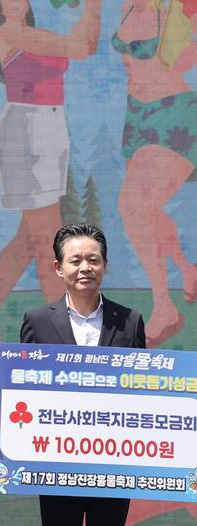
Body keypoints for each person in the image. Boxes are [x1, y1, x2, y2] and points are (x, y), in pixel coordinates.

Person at [21, 223, 145, 526]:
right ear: (58, 268)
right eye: (75, 260)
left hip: (111, 462)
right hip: (56, 465)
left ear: (105, 266)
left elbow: (143, 390)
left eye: (93, 259)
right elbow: (24, 391)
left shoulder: (129, 321)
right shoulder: (37, 321)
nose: (84, 267)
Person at [0, 0, 101, 335]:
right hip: (25, 129)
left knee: (28, 238)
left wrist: (94, 7)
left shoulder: (35, 33)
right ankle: (64, 327)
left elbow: (85, 45)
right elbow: (73, 46)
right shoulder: (9, 32)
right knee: (47, 236)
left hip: (52, 128)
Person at [114, 0, 197, 346]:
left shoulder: (178, 9)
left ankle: (164, 306)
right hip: (137, 116)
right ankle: (188, 270)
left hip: (173, 112)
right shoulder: (128, 5)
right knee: (144, 211)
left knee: (132, 206)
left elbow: (186, 60)